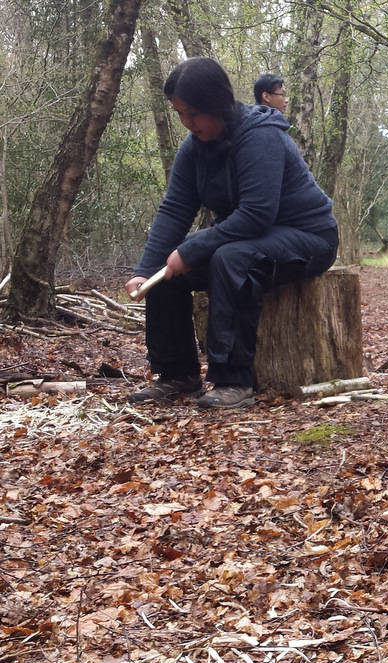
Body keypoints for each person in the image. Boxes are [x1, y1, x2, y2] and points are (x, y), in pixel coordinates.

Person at [125, 57, 338, 409]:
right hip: (251, 236)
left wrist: (192, 253)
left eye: (192, 113)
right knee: (168, 266)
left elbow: (256, 214)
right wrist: (145, 270)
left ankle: (233, 380)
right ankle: (177, 372)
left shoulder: (260, 137)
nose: (187, 122)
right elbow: (174, 210)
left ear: (215, 104)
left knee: (230, 257)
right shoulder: (193, 148)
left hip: (309, 238)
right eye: (179, 114)